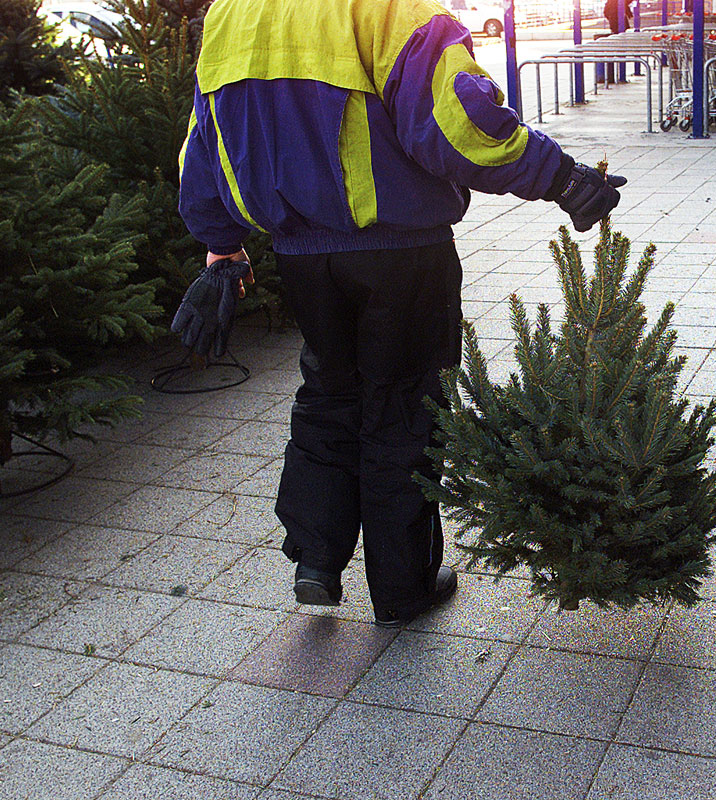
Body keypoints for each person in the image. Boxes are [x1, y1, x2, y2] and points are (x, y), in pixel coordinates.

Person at [174, 0, 626, 627]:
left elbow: (206, 142)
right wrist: (562, 177)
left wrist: (221, 246)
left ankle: (317, 562)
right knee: (404, 408)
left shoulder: (231, 14)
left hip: (301, 256)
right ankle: (402, 587)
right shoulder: (390, 9)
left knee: (328, 395)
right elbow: (459, 126)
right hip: (400, 251)